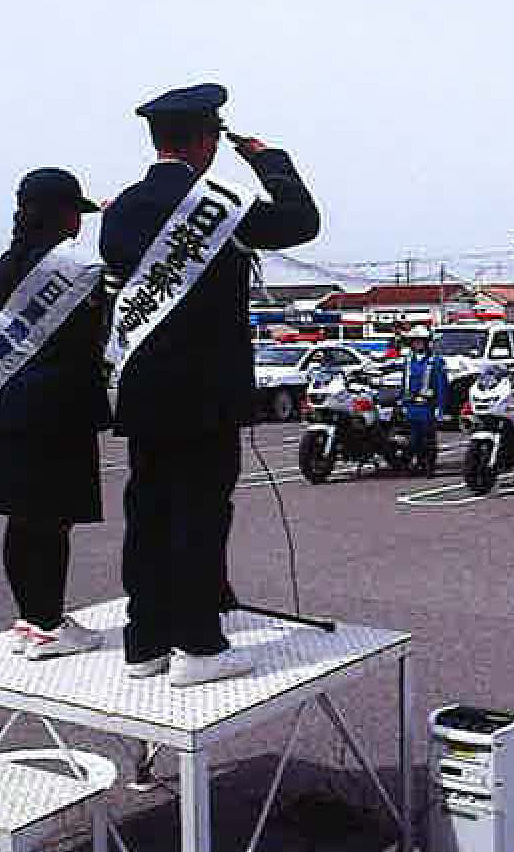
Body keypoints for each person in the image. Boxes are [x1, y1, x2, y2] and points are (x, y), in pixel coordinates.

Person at [101, 83, 319, 686]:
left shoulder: (120, 208)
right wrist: (267, 159)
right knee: (199, 513)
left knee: (147, 510)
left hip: (143, 389)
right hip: (205, 391)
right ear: (206, 140)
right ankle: (198, 646)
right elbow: (303, 221)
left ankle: (145, 641)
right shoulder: (220, 204)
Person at [0, 168, 110, 660]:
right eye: (77, 210)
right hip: (62, 408)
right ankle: (50, 624)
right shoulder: (74, 270)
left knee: (22, 518)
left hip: (14, 402)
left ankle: (30, 618)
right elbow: (91, 338)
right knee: (53, 521)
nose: (80, 221)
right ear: (63, 214)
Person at [399, 325, 448, 474]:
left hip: (428, 406)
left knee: (429, 439)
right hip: (412, 406)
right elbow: (404, 383)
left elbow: (441, 385)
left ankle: (429, 466)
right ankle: (418, 462)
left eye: (421, 341)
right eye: (415, 341)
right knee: (413, 439)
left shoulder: (436, 361)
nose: (418, 344)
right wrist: (403, 402)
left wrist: (440, 407)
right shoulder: (408, 361)